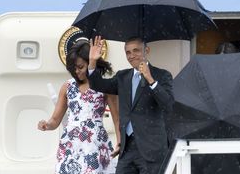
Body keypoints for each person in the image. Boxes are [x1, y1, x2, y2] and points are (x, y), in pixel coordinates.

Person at [88, 36, 174, 174]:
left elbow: (168, 105)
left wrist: (150, 79)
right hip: (127, 149)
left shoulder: (162, 75)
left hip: (152, 149)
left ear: (147, 50)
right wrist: (92, 61)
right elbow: (99, 85)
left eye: (136, 51)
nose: (132, 55)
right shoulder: (123, 76)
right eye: (128, 52)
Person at [37, 40, 120, 174]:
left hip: (95, 143)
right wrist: (46, 125)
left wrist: (120, 142)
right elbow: (55, 120)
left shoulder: (105, 85)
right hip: (71, 144)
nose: (76, 71)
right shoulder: (67, 87)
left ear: (90, 62)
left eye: (80, 67)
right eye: (73, 68)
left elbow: (117, 119)